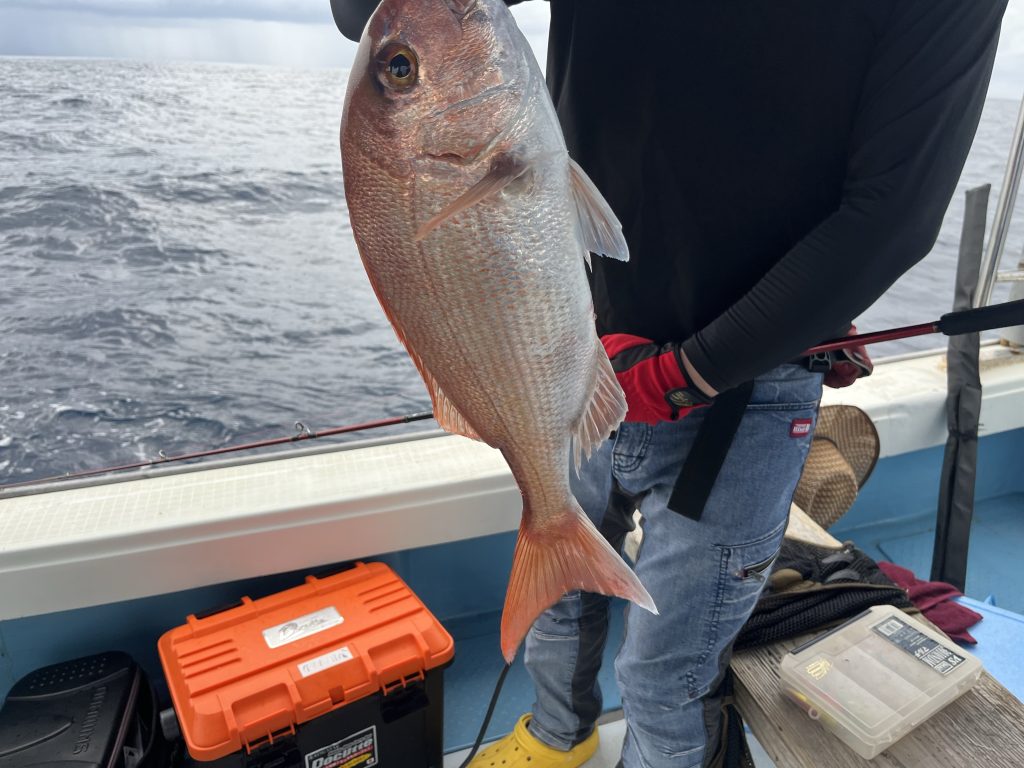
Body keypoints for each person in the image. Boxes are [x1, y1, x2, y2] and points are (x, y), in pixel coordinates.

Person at [330, 1, 1008, 766]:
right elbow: (363, 14)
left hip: (745, 390)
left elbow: (894, 214)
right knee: (560, 603)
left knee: (662, 677)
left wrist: (691, 373)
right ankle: (557, 736)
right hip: (572, 348)